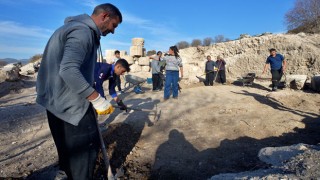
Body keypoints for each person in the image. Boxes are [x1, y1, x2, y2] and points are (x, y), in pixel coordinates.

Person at [36, 3, 122, 179]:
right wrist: (96, 99)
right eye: (114, 25)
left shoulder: (70, 28)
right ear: (104, 16)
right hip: (72, 105)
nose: (113, 31)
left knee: (68, 152)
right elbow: (68, 70)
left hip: (56, 103)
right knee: (84, 155)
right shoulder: (82, 32)